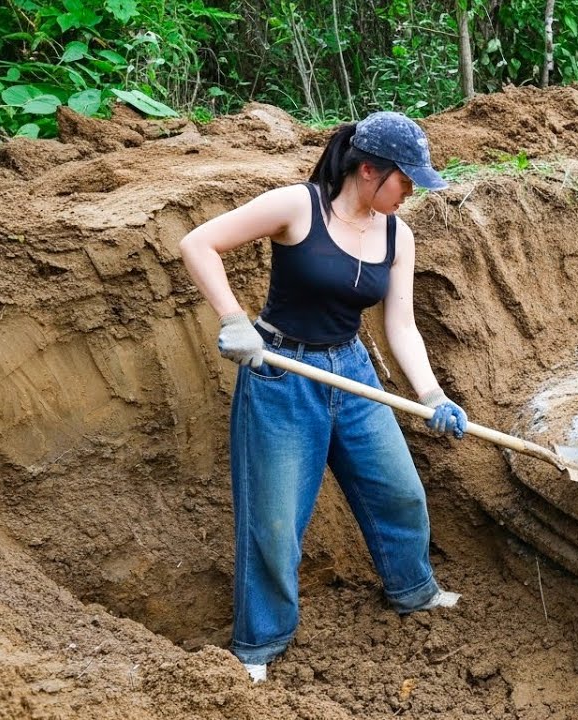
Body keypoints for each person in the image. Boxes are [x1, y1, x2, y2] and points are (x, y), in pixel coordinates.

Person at [179, 111, 468, 684]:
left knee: (399, 492)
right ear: (368, 170)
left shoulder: (397, 234)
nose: (410, 192)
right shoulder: (297, 206)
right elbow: (199, 243)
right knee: (276, 517)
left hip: (353, 371)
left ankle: (414, 590)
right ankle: (260, 645)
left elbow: (401, 325)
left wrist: (433, 394)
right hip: (281, 373)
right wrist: (236, 321)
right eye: (404, 181)